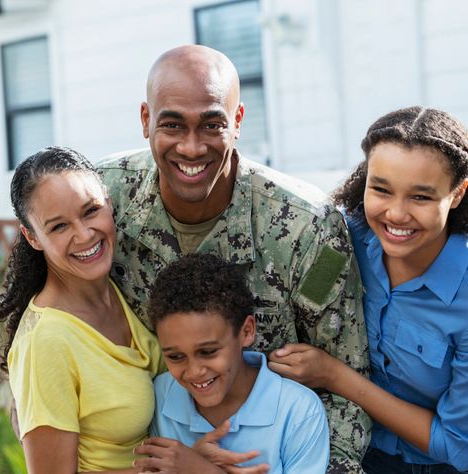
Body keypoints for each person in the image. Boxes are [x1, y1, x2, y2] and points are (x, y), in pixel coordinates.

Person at [97, 44, 370, 472]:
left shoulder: (307, 229)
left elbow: (346, 388)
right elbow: (39, 299)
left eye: (211, 125)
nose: (191, 147)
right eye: (172, 124)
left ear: (238, 121)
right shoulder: (99, 201)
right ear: (146, 120)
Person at [268, 107, 468, 473]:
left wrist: (333, 375)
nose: (395, 214)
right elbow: (309, 305)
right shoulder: (341, 243)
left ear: (457, 194)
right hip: (373, 450)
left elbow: (454, 445)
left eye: (420, 197)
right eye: (381, 189)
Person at [0, 146, 242, 473]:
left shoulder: (122, 286)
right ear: (32, 237)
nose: (84, 235)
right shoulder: (47, 342)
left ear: (108, 201)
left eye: (90, 210)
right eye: (58, 227)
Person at [143, 253, 329, 473]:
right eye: (175, 356)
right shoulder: (161, 396)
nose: (194, 372)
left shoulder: (298, 412)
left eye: (208, 351)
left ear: (247, 331)